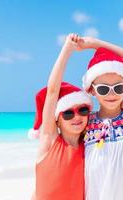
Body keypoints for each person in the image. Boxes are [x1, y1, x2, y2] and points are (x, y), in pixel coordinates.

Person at [81, 37, 123, 200]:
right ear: (92, 90)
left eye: (119, 88)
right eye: (104, 89)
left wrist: (94, 44)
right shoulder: (85, 123)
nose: (112, 94)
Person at [29, 33, 93, 200]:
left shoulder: (89, 147)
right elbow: (52, 92)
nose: (76, 116)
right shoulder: (50, 141)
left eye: (83, 110)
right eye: (68, 113)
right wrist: (67, 50)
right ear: (57, 119)